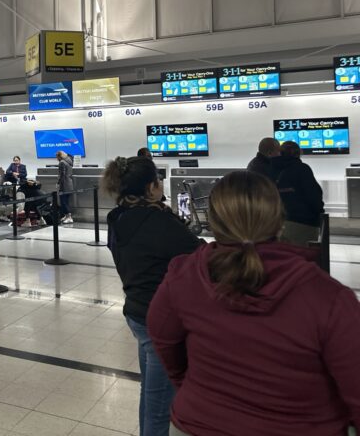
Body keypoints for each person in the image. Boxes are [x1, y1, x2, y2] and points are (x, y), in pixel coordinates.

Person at [147, 170, 360, 436]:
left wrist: (190, 385)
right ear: (279, 221)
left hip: (198, 422)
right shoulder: (327, 296)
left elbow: (162, 337)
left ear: (214, 222)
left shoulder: (184, 275)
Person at [102, 156, 201, 436]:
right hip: (161, 318)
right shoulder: (158, 222)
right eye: (157, 181)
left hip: (137, 312)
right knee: (159, 408)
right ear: (150, 188)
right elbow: (199, 254)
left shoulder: (117, 217)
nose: (160, 185)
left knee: (151, 393)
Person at [272, 141, 324, 246]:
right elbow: (313, 195)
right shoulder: (302, 169)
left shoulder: (271, 168)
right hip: (303, 222)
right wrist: (319, 212)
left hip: (280, 221)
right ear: (299, 153)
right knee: (304, 254)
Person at [56, 150, 74, 224]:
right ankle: (66, 216)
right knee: (66, 201)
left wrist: (58, 183)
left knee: (63, 201)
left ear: (59, 156)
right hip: (69, 183)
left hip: (64, 184)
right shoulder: (69, 161)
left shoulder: (62, 162)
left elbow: (62, 175)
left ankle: (69, 217)